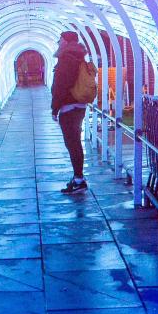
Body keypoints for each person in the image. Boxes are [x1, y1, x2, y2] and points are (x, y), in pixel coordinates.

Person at [51, 30, 90, 194]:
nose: (58, 43)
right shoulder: (79, 56)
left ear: (66, 41)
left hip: (68, 106)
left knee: (72, 143)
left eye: (60, 40)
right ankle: (78, 177)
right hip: (79, 105)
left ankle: (79, 179)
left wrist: (54, 108)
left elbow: (61, 85)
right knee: (75, 143)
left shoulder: (66, 59)